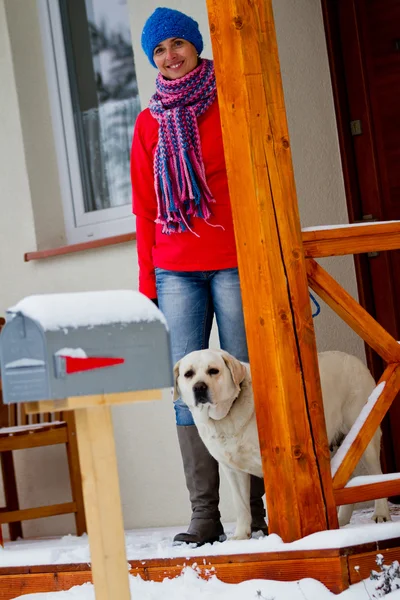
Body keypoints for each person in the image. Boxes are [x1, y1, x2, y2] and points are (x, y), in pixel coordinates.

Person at [131, 7, 268, 546]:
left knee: (244, 381)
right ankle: (205, 514)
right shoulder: (149, 122)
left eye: (176, 44)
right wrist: (149, 281)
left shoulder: (228, 96)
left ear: (194, 44)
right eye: (158, 51)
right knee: (189, 393)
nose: (169, 57)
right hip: (175, 268)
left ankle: (255, 508)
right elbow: (144, 208)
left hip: (234, 257)